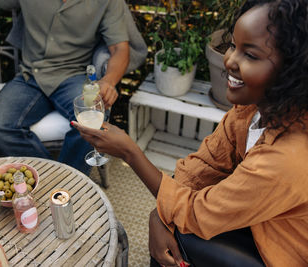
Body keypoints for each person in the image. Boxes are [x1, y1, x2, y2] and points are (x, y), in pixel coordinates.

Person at [72, 0, 308, 265]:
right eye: (232, 45)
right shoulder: (253, 108)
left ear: (293, 70)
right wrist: (161, 213)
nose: (229, 60)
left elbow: (198, 214)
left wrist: (130, 151)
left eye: (250, 55)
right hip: (253, 213)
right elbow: (205, 163)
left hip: (279, 248)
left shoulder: (287, 158)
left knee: (181, 235)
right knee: (171, 220)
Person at [0, 0, 131, 175]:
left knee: (94, 117)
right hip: (30, 75)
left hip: (73, 74)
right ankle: (50, 177)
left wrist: (108, 81)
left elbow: (119, 48)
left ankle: (68, 184)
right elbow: (4, 4)